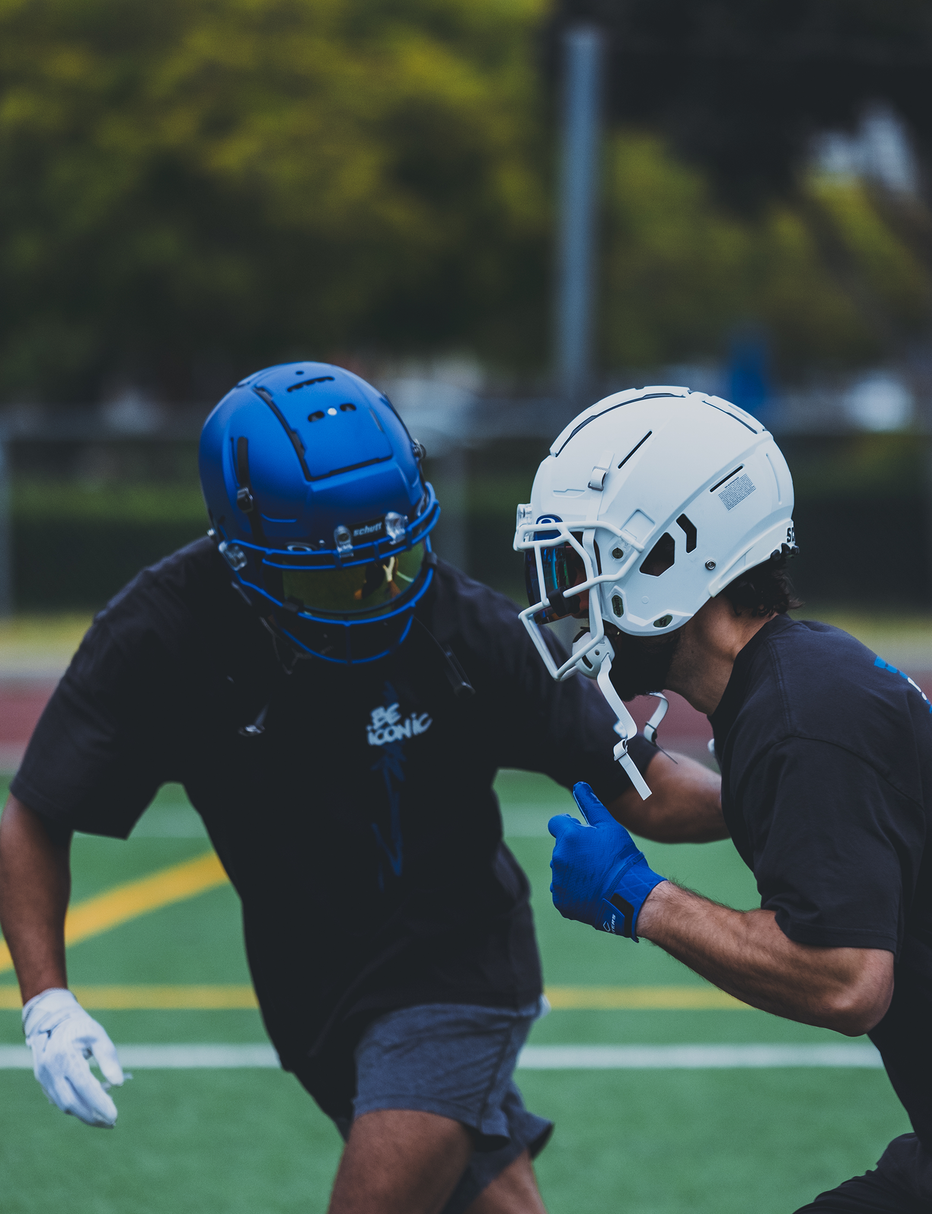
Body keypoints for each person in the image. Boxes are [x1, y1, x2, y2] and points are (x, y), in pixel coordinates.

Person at [0, 363, 720, 1214]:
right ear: (241, 555)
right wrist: (47, 1002)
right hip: (312, 997)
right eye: (332, 579)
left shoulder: (465, 624)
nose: (377, 593)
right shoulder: (157, 634)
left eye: (394, 558)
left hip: (457, 972)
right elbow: (38, 813)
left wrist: (782, 792)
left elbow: (647, 787)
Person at [513, 384, 932, 1213]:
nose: (568, 602)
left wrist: (640, 898)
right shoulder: (804, 674)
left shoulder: (800, 712)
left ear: (675, 554)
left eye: (581, 566)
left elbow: (845, 983)